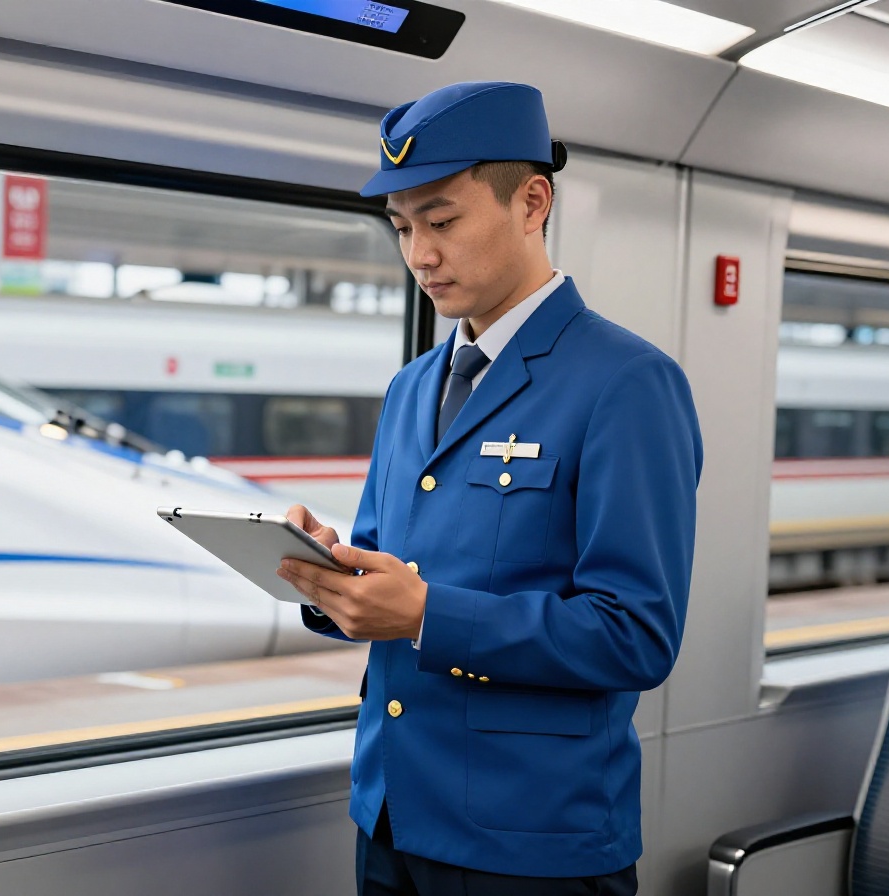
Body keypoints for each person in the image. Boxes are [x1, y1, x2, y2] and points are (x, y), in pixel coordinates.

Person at [276, 81, 703, 896]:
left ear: (532, 201)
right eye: (402, 227)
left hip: (530, 839)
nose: (419, 256)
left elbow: (636, 635)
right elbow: (393, 571)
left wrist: (427, 613)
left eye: (442, 222)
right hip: (392, 811)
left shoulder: (627, 383)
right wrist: (328, 574)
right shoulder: (413, 388)